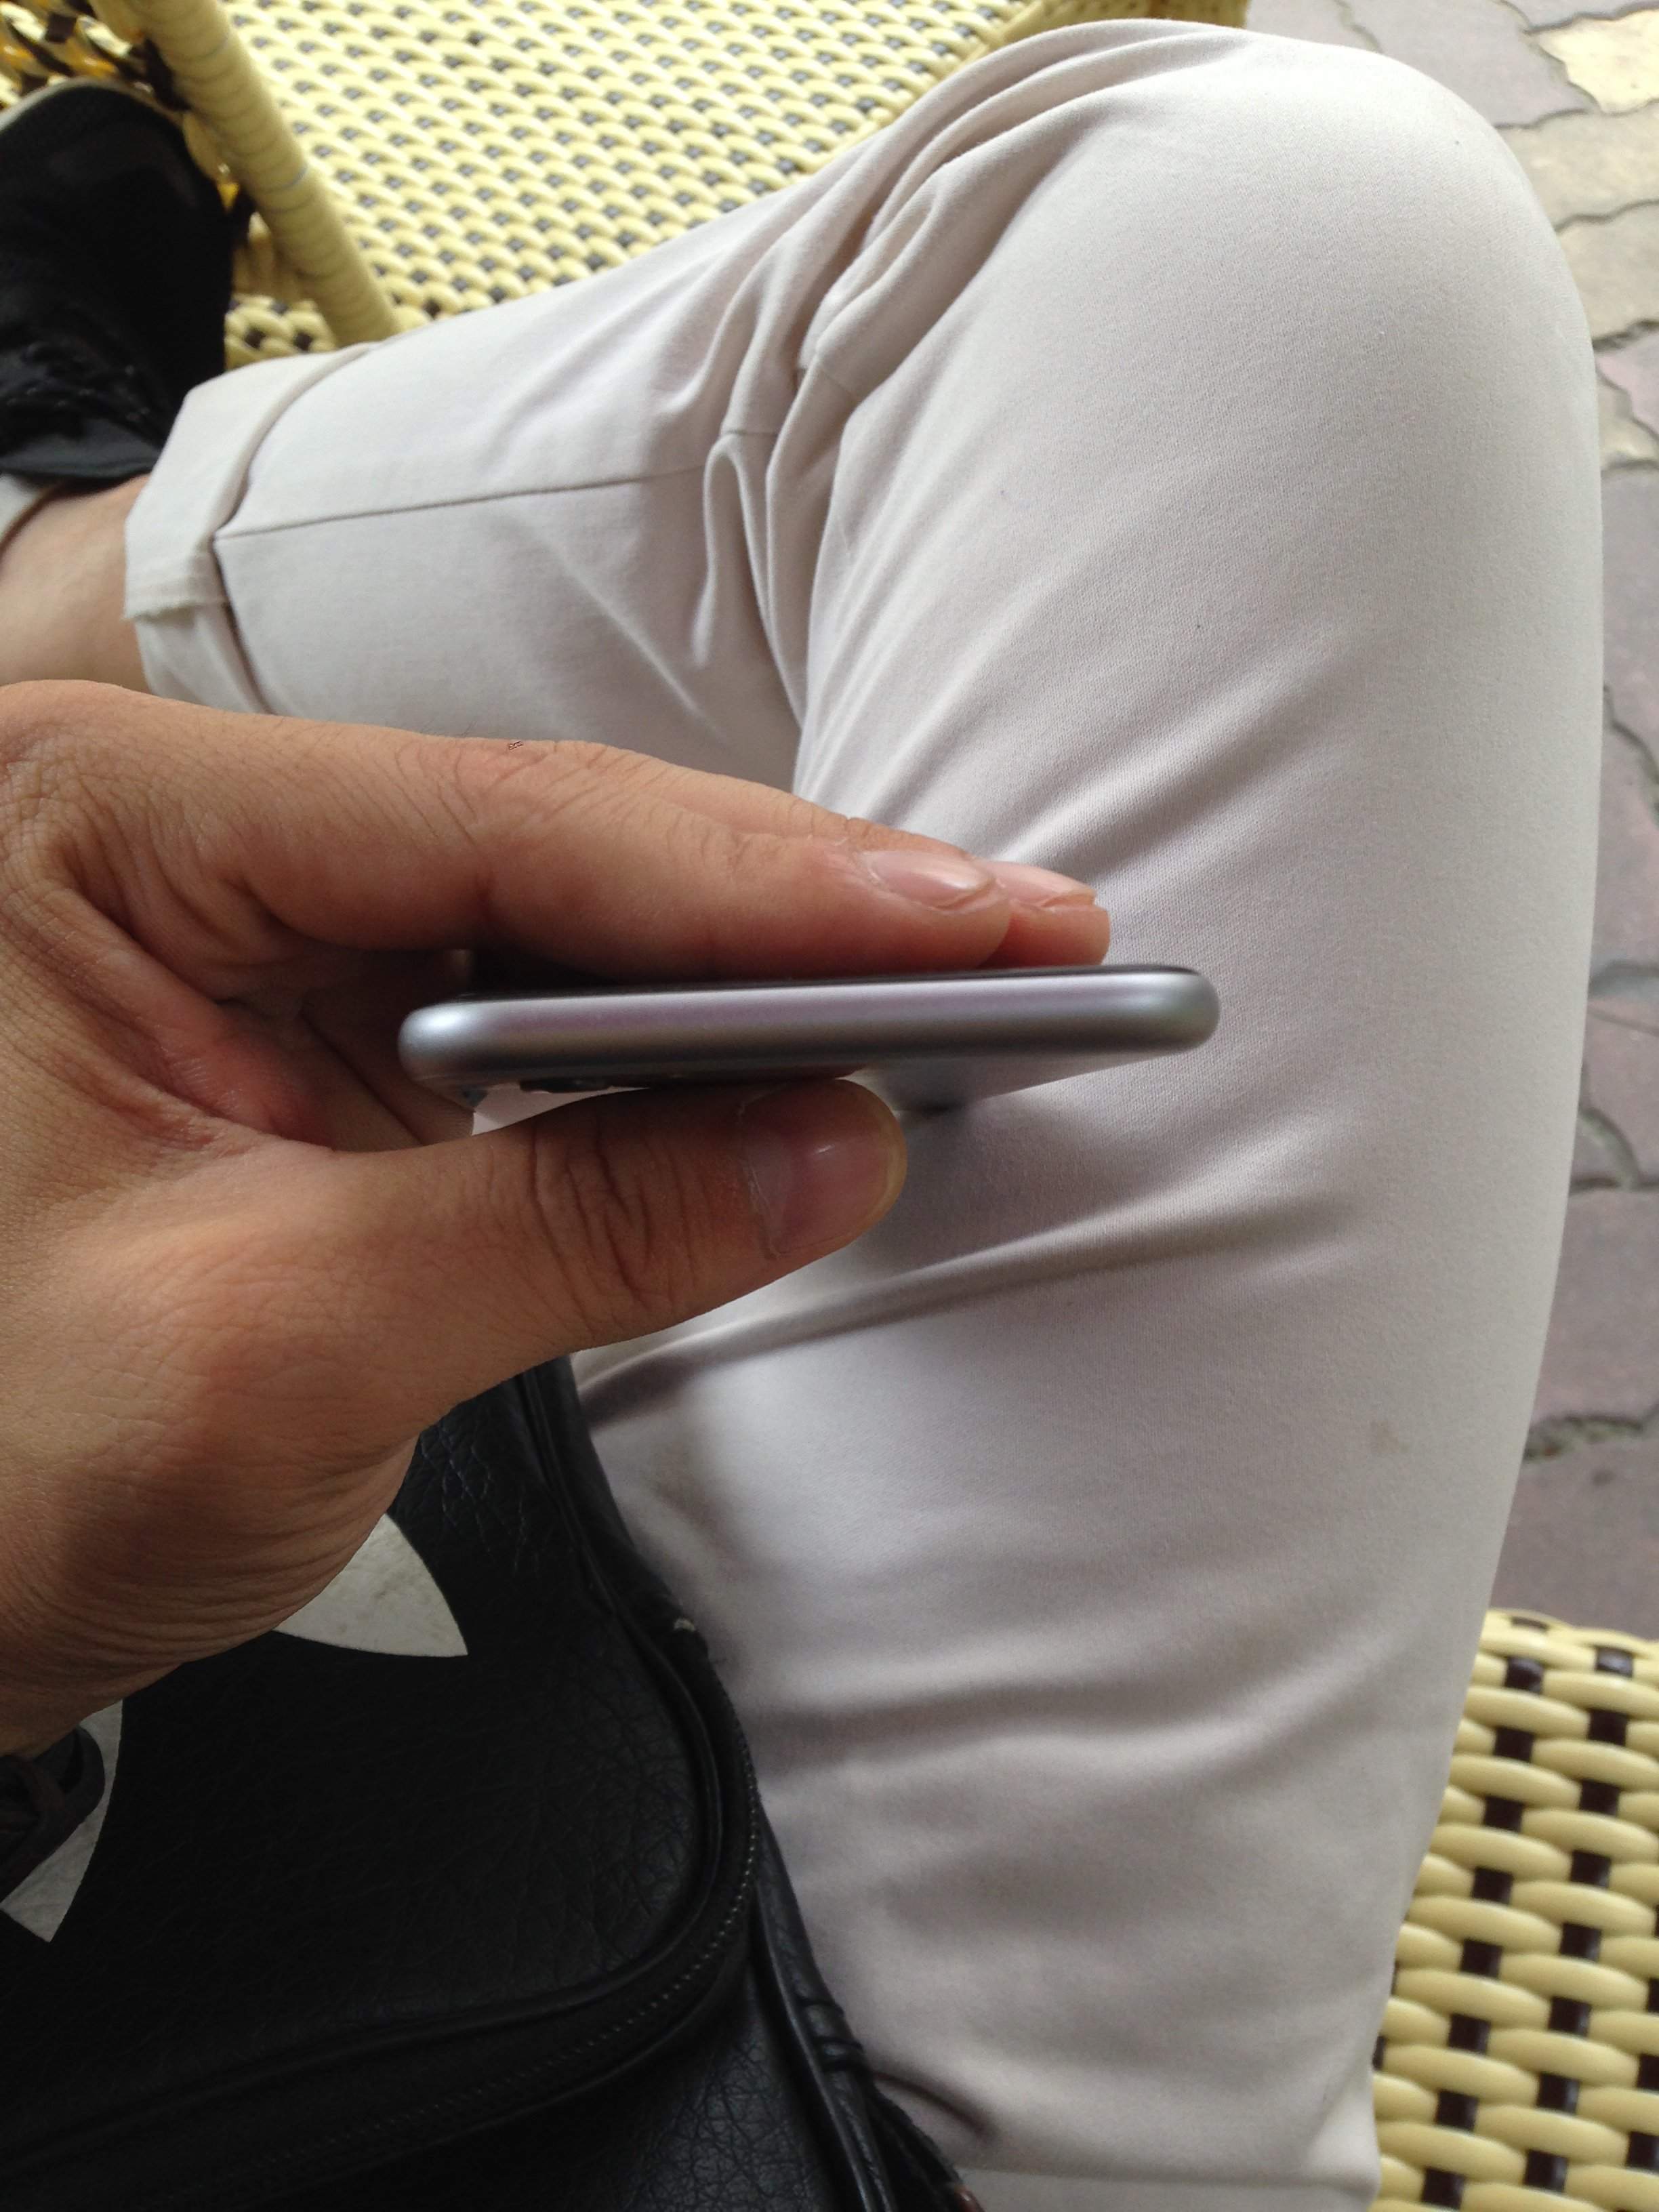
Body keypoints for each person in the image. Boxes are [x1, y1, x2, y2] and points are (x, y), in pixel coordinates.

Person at [0, 15, 1603, 2211]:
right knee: (1280, 226)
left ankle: (37, 563)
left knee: (1241, 223)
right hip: (796, 2110)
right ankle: (57, 550)